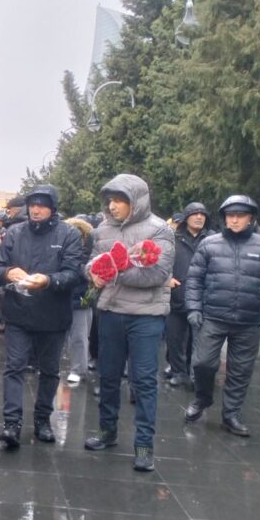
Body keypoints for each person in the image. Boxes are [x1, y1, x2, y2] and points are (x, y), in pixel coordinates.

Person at [84, 174, 174, 472]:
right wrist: (93, 272)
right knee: (108, 376)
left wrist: (112, 271)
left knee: (144, 381)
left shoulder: (159, 229)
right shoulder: (103, 229)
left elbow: (157, 274)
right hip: (111, 312)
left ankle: (144, 445)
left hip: (146, 316)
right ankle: (107, 431)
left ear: (136, 201)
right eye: (110, 200)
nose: (113, 206)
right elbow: (91, 262)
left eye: (119, 200)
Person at [0, 184, 84, 448]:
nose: (36, 210)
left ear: (52, 208)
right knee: (14, 367)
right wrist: (7, 272)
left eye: (41, 205)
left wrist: (48, 281)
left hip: (53, 315)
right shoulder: (15, 232)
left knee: (50, 370)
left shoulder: (68, 233)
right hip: (18, 313)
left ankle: (43, 419)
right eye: (32, 205)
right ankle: (12, 423)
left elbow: (74, 273)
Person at [184, 195, 260, 437]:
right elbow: (194, 279)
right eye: (231, 215)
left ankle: (231, 415)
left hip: (247, 321)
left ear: (251, 218)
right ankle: (203, 398)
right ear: (224, 218)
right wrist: (194, 308)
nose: (235, 220)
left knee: (240, 371)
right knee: (202, 363)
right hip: (213, 317)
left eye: (240, 215)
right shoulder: (209, 244)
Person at [165, 202, 210, 387]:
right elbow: (163, 262)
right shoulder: (173, 238)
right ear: (186, 217)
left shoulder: (212, 239)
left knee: (198, 341)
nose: (199, 217)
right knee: (174, 339)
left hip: (202, 300)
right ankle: (178, 372)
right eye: (195, 213)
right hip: (177, 296)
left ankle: (194, 374)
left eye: (202, 214)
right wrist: (167, 278)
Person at [63, 217, 94, 385]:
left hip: (80, 299)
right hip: (62, 297)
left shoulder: (88, 252)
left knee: (79, 336)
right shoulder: (63, 249)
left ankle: (79, 369)